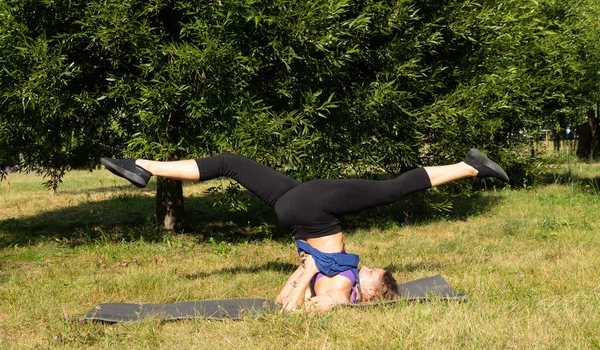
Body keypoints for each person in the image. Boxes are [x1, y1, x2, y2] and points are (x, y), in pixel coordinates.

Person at [101, 149, 508, 313]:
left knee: (391, 189)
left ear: (365, 294)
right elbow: (287, 301)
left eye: (373, 275)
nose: (372, 268)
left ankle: (471, 166)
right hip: (292, 210)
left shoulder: (339, 294)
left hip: (314, 211)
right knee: (228, 162)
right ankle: (144, 166)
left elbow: (290, 308)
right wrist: (305, 272)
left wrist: (310, 273)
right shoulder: (342, 283)